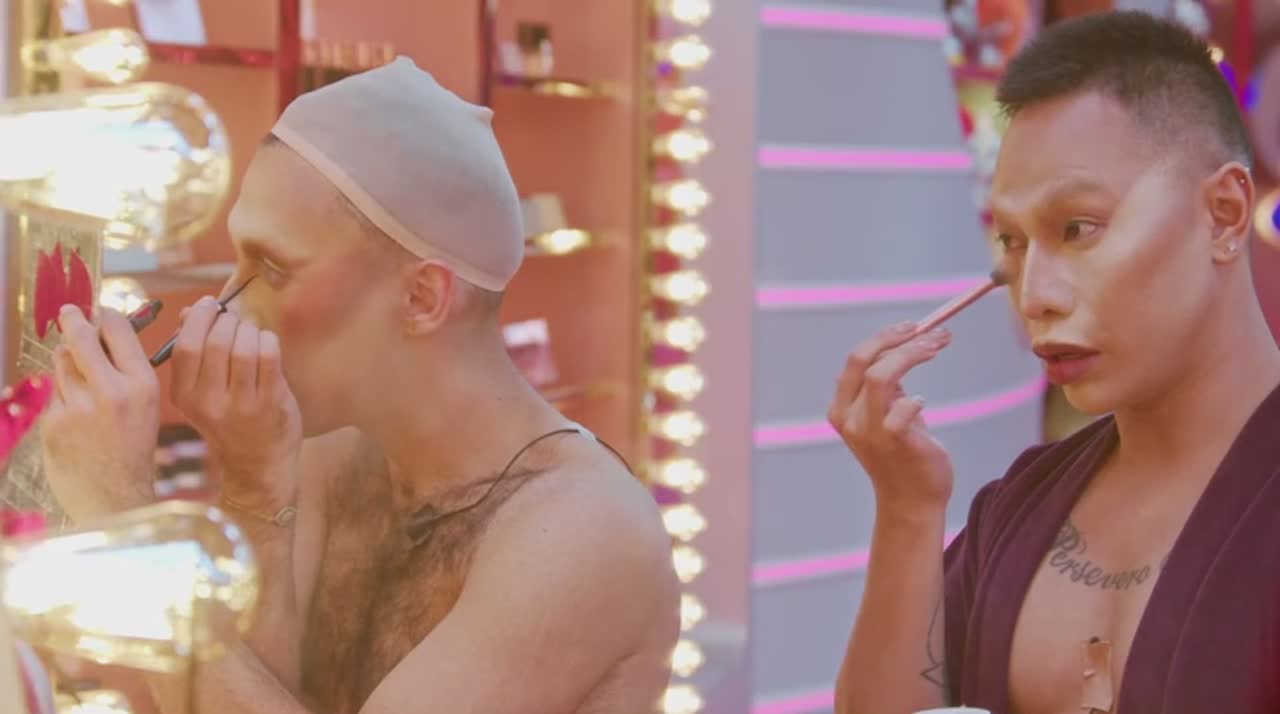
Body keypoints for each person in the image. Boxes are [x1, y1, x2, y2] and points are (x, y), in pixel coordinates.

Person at [37, 57, 679, 714]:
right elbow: (256, 696)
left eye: (272, 269)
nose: (226, 303)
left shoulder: (583, 530)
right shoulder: (333, 450)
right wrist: (253, 483)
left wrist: (124, 518)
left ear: (422, 297)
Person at [829, 11, 1280, 714]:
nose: (1035, 295)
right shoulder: (1018, 510)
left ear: (1223, 214)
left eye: (1078, 229)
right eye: (1012, 244)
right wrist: (908, 511)